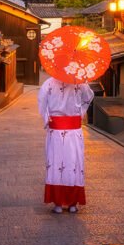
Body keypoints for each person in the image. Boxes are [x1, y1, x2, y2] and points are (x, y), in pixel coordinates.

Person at [37, 77, 94, 214]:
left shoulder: (49, 83)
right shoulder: (80, 81)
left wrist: (47, 119)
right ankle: (72, 204)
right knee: (74, 164)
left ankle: (58, 204)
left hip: (56, 130)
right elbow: (88, 97)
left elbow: (42, 103)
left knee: (56, 163)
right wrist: (80, 113)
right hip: (74, 130)